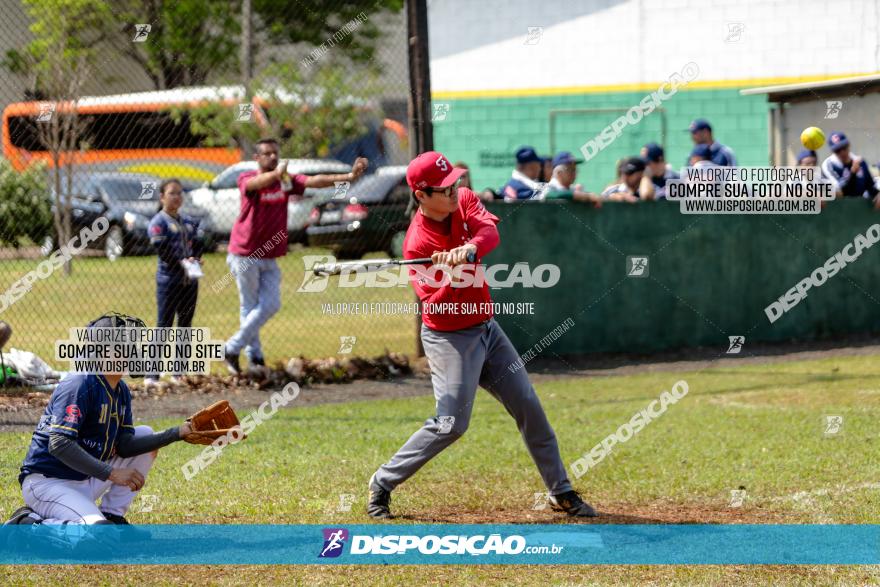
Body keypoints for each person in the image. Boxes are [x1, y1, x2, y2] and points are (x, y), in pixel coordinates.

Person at [367, 150, 597, 520]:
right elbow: (436, 304)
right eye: (443, 188)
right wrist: (450, 272)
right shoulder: (417, 244)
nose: (454, 189)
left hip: (488, 330)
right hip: (449, 339)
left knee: (528, 406)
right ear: (421, 195)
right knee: (451, 425)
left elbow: (490, 232)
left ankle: (561, 490)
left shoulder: (464, 199)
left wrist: (468, 249)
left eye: (454, 181)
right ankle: (383, 481)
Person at [4, 313, 193, 528]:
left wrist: (178, 433)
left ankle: (113, 515)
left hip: (85, 479)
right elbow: (59, 444)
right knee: (100, 536)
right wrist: (112, 473)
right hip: (49, 482)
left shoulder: (120, 389)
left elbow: (125, 445)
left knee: (145, 434)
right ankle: (26, 524)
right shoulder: (79, 384)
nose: (132, 350)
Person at [224, 138, 368, 373]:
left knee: (270, 304)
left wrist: (349, 177)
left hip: (270, 255)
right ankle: (255, 358)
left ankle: (232, 347)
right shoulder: (247, 178)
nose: (272, 157)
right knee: (249, 306)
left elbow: (314, 181)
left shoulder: (286, 180)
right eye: (267, 154)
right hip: (245, 253)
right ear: (257, 158)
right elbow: (257, 183)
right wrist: (278, 175)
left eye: (275, 153)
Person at [144, 179, 202, 387]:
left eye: (180, 193)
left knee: (185, 326)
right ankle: (151, 375)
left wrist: (196, 258)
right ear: (162, 197)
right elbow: (164, 251)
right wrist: (182, 263)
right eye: (172, 193)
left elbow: (197, 243)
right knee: (164, 326)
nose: (177, 197)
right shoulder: (158, 222)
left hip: (190, 282)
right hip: (169, 282)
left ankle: (179, 373)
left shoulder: (187, 221)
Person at [820, 132, 879, 201]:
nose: (842, 152)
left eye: (844, 147)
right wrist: (853, 173)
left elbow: (870, 186)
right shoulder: (829, 165)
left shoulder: (860, 162)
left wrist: (878, 195)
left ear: (849, 145)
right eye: (837, 150)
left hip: (860, 205)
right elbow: (841, 192)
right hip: (839, 207)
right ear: (832, 151)